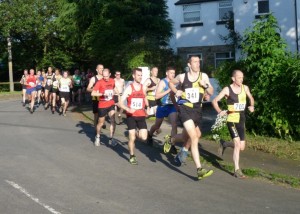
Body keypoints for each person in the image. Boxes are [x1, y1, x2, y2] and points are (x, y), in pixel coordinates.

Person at [169, 55, 214, 180]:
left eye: (199, 62)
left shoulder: (203, 76)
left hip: (197, 110)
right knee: (194, 137)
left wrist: (205, 86)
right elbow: (171, 83)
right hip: (185, 109)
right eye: (195, 62)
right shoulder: (182, 77)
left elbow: (210, 91)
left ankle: (172, 140)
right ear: (189, 64)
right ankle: (199, 169)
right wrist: (176, 91)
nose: (197, 64)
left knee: (187, 136)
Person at [212, 69, 255, 179]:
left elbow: (251, 98)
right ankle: (237, 170)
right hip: (231, 119)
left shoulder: (245, 88)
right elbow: (214, 101)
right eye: (239, 77)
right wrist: (219, 111)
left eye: (242, 77)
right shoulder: (227, 89)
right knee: (236, 144)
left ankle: (224, 144)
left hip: (241, 119)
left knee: (241, 147)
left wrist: (252, 106)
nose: (241, 79)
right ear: (233, 78)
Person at [119, 68, 150, 165]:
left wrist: (148, 107)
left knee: (144, 138)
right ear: (133, 76)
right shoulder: (129, 88)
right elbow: (120, 102)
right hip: (131, 116)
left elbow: (144, 97)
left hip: (141, 115)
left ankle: (137, 133)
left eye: (141, 75)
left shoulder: (143, 87)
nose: (140, 77)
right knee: (132, 138)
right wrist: (127, 109)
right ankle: (132, 156)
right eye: (138, 75)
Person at [147, 67, 178, 154]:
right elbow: (156, 96)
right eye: (171, 73)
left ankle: (172, 144)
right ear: (166, 73)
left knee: (174, 124)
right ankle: (149, 135)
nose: (173, 75)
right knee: (157, 125)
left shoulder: (175, 82)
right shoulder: (162, 82)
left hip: (172, 106)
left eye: (174, 73)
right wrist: (168, 90)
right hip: (162, 106)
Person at [91, 68, 119, 147]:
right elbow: (93, 93)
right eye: (104, 76)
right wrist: (102, 94)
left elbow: (114, 88)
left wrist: (118, 94)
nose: (105, 78)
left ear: (110, 74)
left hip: (111, 103)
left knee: (113, 120)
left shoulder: (112, 81)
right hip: (102, 105)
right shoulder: (99, 82)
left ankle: (111, 139)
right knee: (101, 123)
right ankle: (98, 137)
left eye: (106, 76)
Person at [87, 64, 106, 130]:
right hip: (96, 97)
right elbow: (88, 88)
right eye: (100, 68)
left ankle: (102, 122)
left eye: (103, 68)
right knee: (96, 114)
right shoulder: (93, 78)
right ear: (97, 70)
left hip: (104, 98)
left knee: (104, 112)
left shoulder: (105, 78)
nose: (102, 69)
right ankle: (96, 129)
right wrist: (95, 90)